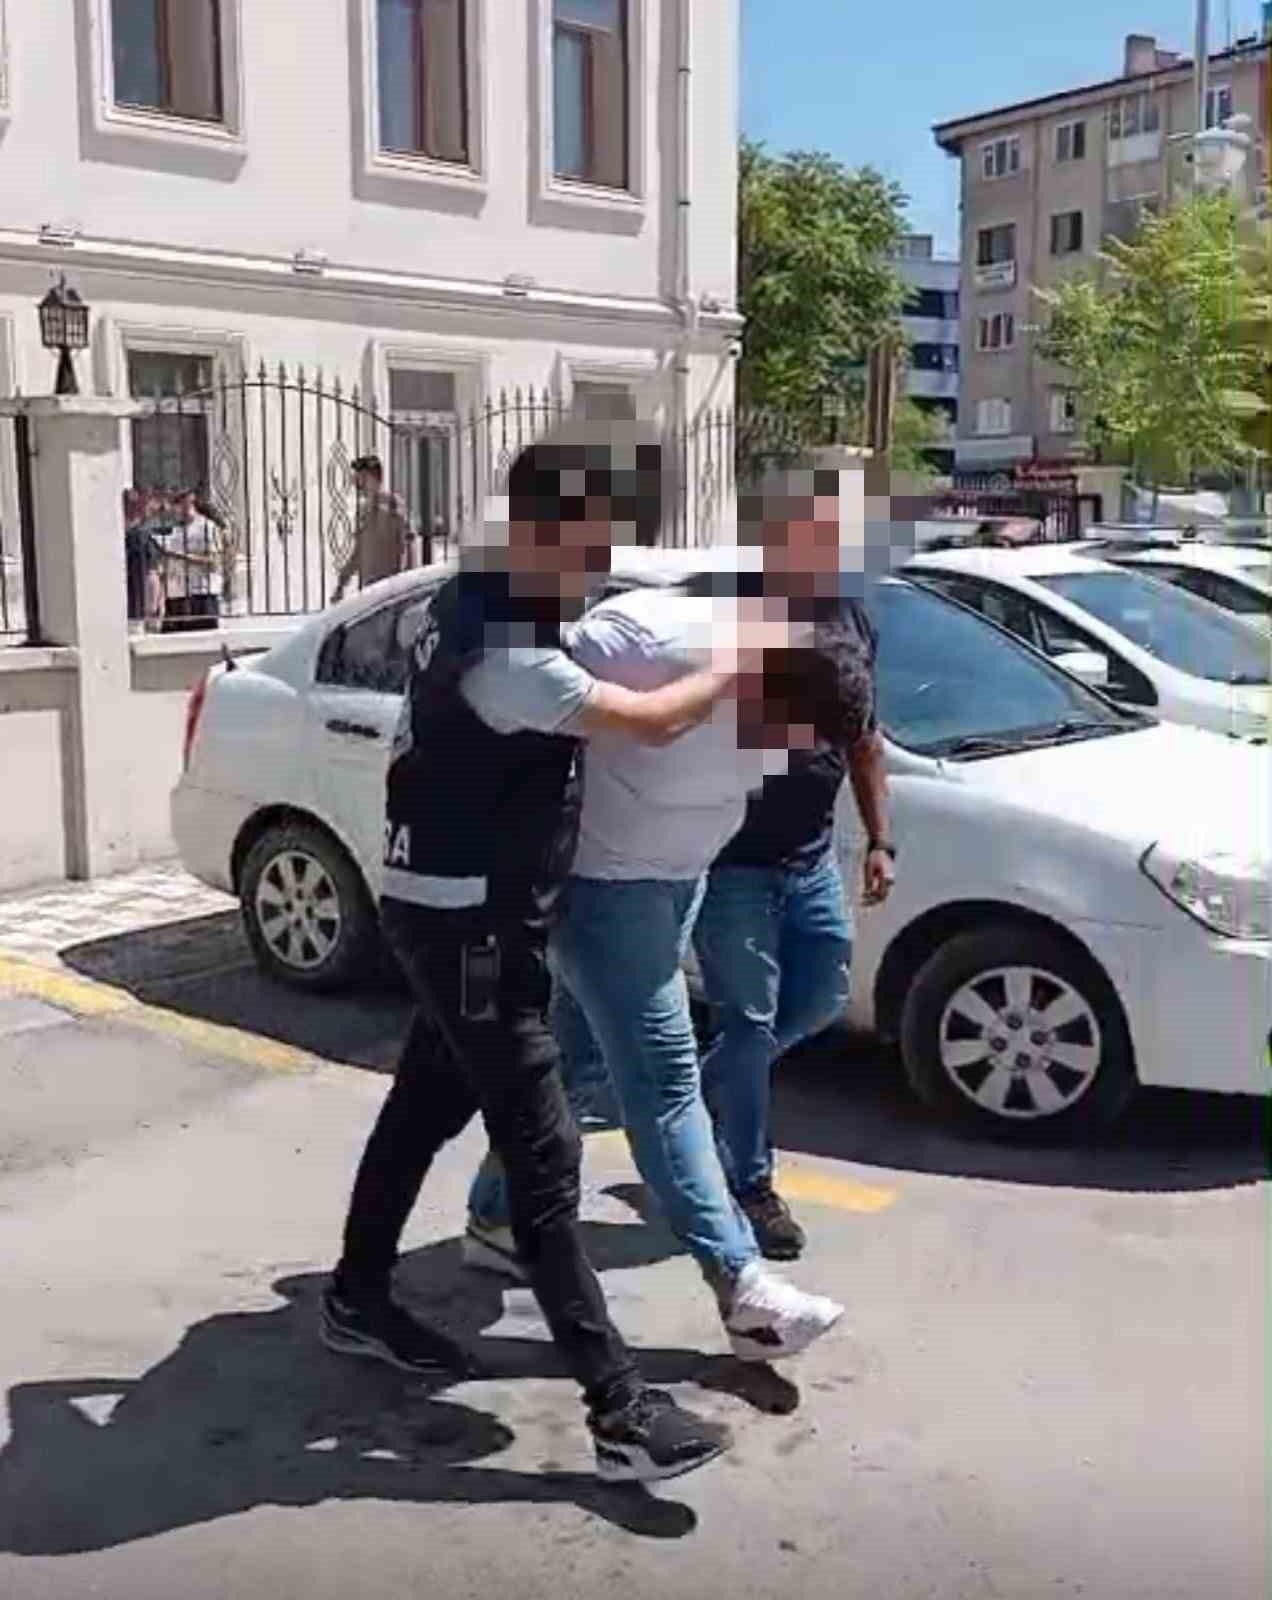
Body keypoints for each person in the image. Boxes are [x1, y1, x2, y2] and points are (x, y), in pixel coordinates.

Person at [322, 425, 760, 1484]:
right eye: (593, 539)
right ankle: (619, 1410)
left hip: (450, 905)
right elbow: (647, 721)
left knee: (422, 1110)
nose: (603, 561)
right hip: (470, 924)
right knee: (546, 1153)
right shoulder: (511, 650)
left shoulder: (476, 597)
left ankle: (356, 1297)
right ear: (542, 528)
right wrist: (731, 668)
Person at [463, 563, 846, 1363]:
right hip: (602, 889)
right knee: (665, 1081)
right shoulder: (639, 645)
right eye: (791, 730)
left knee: (577, 1068)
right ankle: (743, 1289)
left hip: (680, 879)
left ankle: (495, 1215)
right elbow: (520, 707)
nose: (791, 753)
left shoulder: (793, 686)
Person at [332, 455, 415, 601]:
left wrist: (407, 585)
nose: (356, 483)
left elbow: (408, 546)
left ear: (374, 478)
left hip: (391, 588)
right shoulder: (364, 510)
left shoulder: (393, 504)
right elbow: (359, 551)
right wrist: (342, 582)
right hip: (370, 588)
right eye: (356, 478)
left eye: (361, 477)